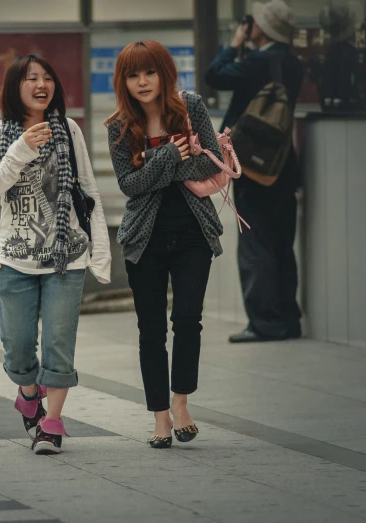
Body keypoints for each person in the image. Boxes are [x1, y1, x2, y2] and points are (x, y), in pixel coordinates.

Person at [0, 55, 111, 455]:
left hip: (65, 258)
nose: (42, 84)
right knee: (18, 350)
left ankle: (51, 424)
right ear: (15, 86)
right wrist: (20, 148)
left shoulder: (68, 129)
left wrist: (100, 252)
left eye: (48, 77)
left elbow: (88, 192)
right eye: (31, 78)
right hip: (15, 258)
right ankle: (28, 391)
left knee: (58, 342)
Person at [107, 41, 226, 448]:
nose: (142, 82)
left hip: (193, 230)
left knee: (188, 318)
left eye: (149, 72)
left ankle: (180, 403)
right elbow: (130, 186)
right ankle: (159, 416)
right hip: (145, 238)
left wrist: (163, 163)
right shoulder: (119, 126)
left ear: (164, 73)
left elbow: (211, 162)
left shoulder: (189, 106)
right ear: (123, 81)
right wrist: (169, 158)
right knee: (151, 329)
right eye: (132, 75)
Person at [205, 0, 303, 344]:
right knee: (281, 245)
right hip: (282, 166)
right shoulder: (293, 62)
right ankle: (288, 320)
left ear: (265, 28)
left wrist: (234, 45)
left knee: (255, 245)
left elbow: (214, 75)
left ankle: (263, 323)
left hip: (250, 165)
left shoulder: (257, 61)